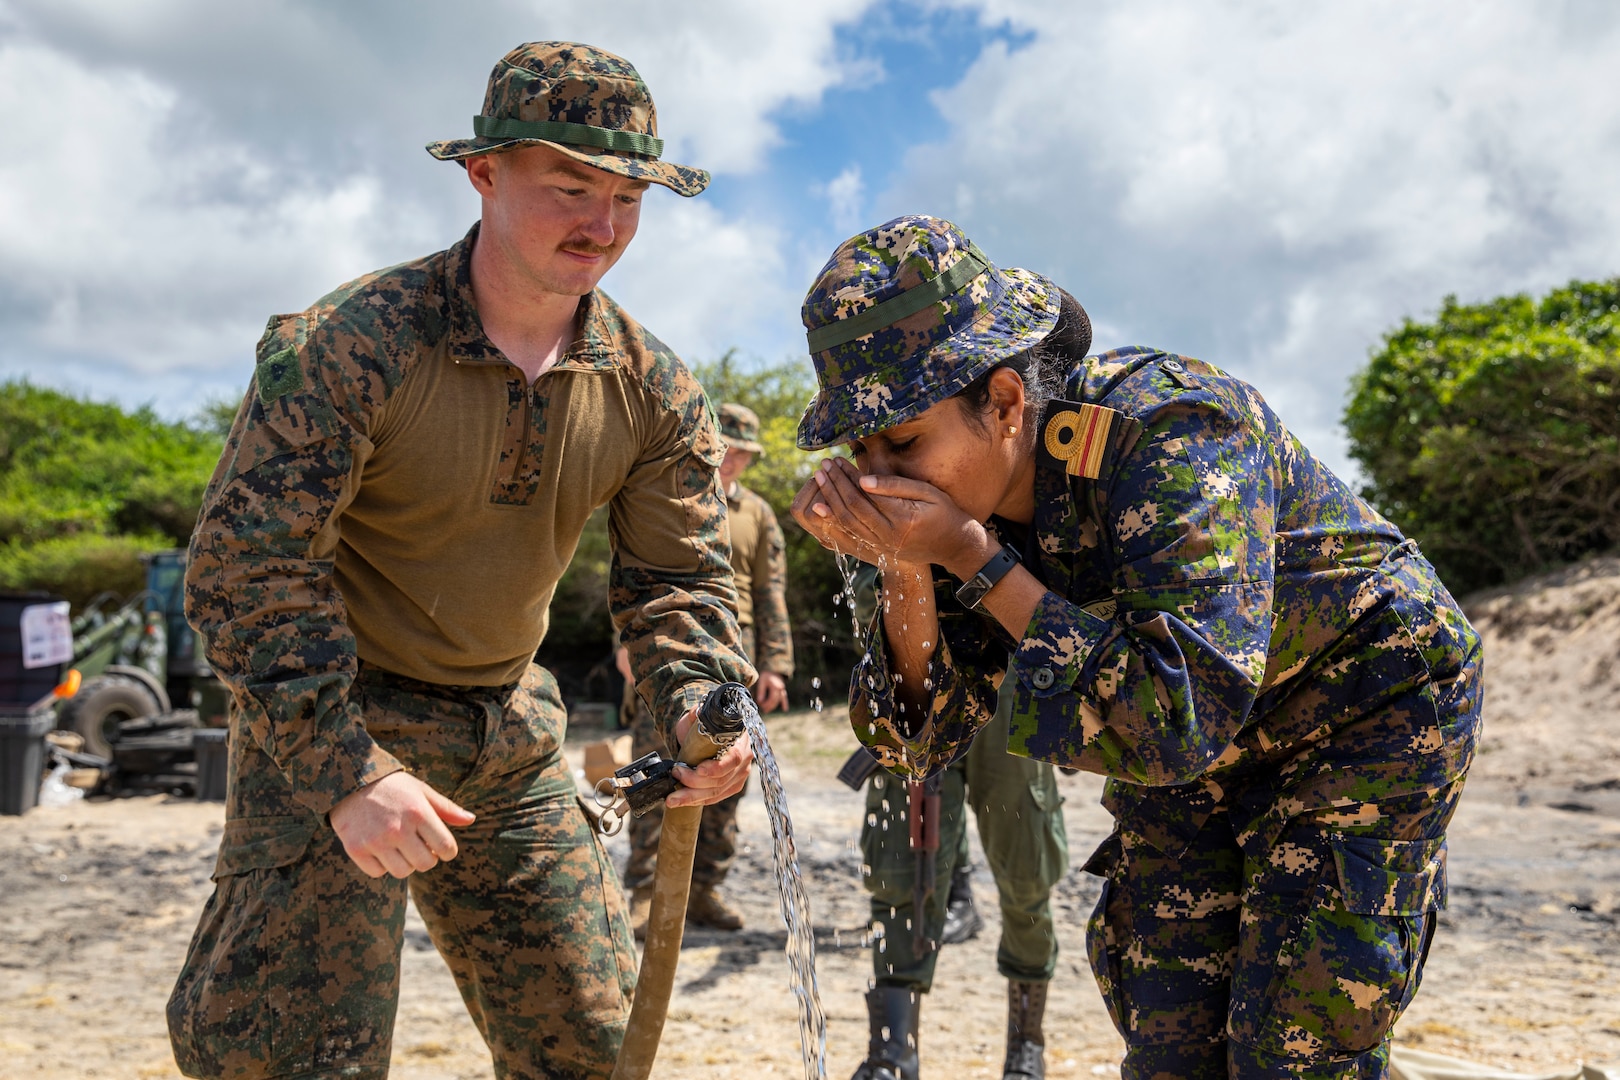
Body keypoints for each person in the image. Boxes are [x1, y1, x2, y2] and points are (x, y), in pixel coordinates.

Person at [167, 42, 754, 1080]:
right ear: (484, 173)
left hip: (508, 738)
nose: (603, 225)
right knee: (286, 1059)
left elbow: (678, 584)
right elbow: (245, 567)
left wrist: (698, 705)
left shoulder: (656, 389)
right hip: (334, 720)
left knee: (594, 1047)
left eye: (628, 197)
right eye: (570, 185)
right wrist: (347, 770)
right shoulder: (353, 344)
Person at [791, 215, 1482, 1080]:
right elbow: (913, 743)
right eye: (860, 450)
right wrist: (903, 566)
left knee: (1293, 1052)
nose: (878, 475)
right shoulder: (937, 520)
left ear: (1004, 403)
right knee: (1170, 1046)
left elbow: (1177, 718)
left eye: (904, 443)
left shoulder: (1174, 427)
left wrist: (971, 556)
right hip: (1188, 743)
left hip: (1363, 711)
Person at [844, 563, 1068, 1080]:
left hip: (1011, 676)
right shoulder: (884, 477)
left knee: (1027, 865)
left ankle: (1025, 1046)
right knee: (901, 870)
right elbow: (859, 571)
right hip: (912, 669)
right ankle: (892, 1050)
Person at [617, 401, 794, 934]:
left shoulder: (758, 515)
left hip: (734, 665)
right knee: (654, 772)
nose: (734, 461)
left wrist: (776, 665)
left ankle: (704, 892)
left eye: (744, 454)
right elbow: (631, 580)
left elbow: (770, 594)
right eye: (728, 450)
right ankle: (645, 894)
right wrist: (625, 649)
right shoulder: (669, 499)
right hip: (666, 654)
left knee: (725, 780)